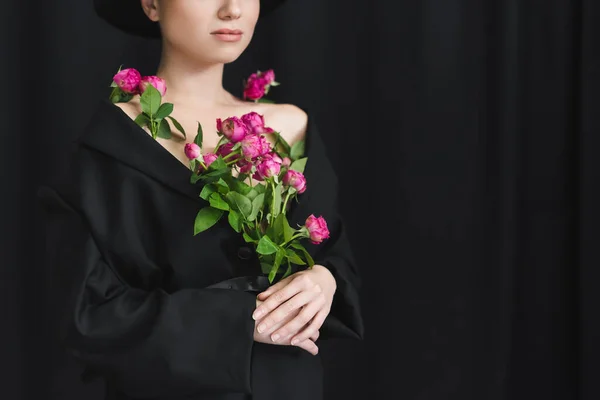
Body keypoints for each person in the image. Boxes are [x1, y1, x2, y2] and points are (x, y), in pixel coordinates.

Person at [37, 1, 364, 399]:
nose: (232, 9)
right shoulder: (106, 148)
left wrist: (323, 281)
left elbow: (334, 254)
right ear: (152, 4)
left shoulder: (291, 128)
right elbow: (86, 315)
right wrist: (239, 321)